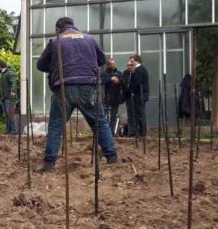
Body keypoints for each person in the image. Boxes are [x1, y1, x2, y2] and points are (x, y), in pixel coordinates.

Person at [36, 17, 118, 171]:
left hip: (64, 88)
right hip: (89, 87)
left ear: (58, 29)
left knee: (56, 126)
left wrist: (56, 66)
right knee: (100, 123)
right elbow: (102, 60)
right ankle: (112, 157)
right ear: (74, 26)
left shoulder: (55, 41)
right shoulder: (90, 39)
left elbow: (40, 65)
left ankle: (49, 164)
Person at [125, 55, 150, 137]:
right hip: (139, 95)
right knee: (138, 114)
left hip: (140, 96)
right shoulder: (139, 69)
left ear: (137, 61)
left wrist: (131, 89)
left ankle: (142, 132)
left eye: (132, 61)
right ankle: (140, 132)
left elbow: (138, 83)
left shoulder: (139, 70)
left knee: (140, 114)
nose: (131, 63)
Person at [102, 58, 126, 135]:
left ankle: (112, 131)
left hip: (116, 97)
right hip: (107, 97)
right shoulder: (104, 73)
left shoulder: (119, 73)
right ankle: (105, 131)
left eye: (113, 64)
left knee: (113, 115)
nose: (112, 65)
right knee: (104, 114)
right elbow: (102, 81)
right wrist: (111, 79)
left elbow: (123, 83)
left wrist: (118, 81)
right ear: (108, 65)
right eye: (111, 64)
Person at [0, 59, 18, 134]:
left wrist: (12, 92)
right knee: (6, 115)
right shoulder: (3, 74)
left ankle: (14, 130)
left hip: (9, 98)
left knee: (10, 113)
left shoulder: (9, 73)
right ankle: (8, 130)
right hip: (4, 97)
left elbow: (13, 83)